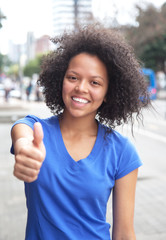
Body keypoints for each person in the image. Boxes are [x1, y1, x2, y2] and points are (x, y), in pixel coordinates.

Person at [10, 24, 150, 240]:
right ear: (60, 80)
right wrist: (24, 151)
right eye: (73, 77)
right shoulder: (34, 129)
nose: (81, 88)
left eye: (95, 82)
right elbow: (22, 137)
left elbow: (123, 234)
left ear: (107, 93)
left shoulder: (121, 151)